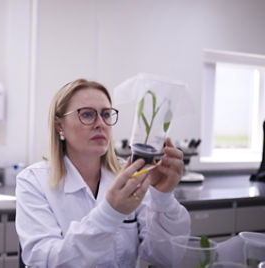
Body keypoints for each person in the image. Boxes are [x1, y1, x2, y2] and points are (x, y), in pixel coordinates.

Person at [15, 78, 190, 267]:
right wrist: (111, 213)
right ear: (59, 126)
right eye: (87, 114)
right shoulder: (33, 182)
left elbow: (165, 257)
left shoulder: (132, 175)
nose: (101, 124)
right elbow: (45, 261)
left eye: (106, 114)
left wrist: (162, 197)